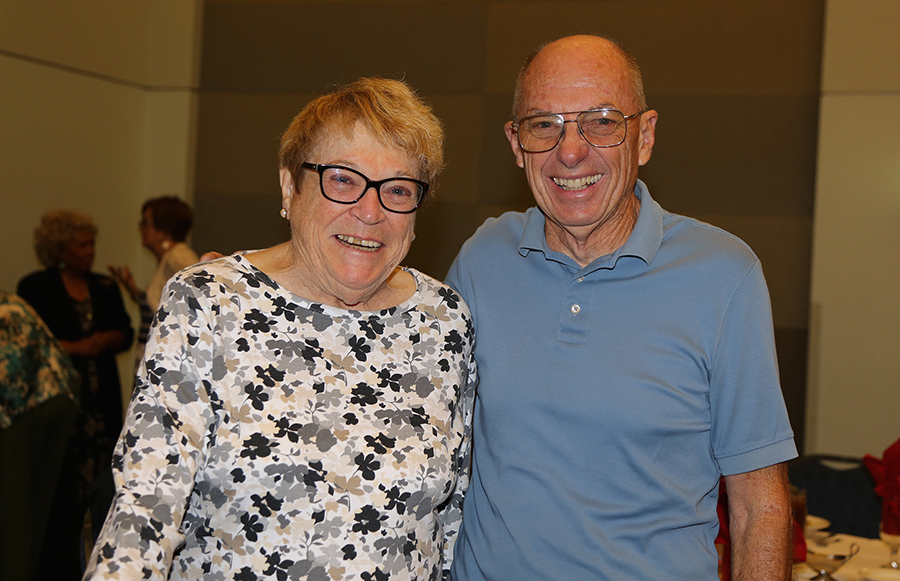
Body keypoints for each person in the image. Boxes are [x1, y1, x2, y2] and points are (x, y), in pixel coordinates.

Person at [84, 77, 475, 581]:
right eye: (343, 179)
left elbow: (450, 521)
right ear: (290, 185)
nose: (371, 211)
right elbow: (144, 511)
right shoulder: (208, 301)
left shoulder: (443, 320)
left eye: (398, 189)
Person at [445, 35, 797, 580]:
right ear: (516, 143)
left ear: (646, 135)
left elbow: (760, 508)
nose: (570, 151)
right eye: (545, 124)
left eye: (602, 121)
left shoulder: (724, 274)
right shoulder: (482, 261)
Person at [16, 210, 134, 578]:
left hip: (102, 398)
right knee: (61, 486)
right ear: (60, 248)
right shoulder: (35, 286)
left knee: (101, 482)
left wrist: (107, 339)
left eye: (92, 243)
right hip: (63, 400)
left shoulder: (104, 286)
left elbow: (125, 333)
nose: (90, 251)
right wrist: (79, 347)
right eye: (82, 245)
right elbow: (34, 342)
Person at [0, 292, 79, 581]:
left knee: (14, 513)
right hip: (59, 392)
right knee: (37, 507)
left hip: (21, 405)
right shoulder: (9, 300)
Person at [109, 196, 199, 371]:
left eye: (146, 222)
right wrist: (135, 292)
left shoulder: (178, 256)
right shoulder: (168, 259)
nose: (141, 228)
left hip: (165, 359)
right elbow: (161, 304)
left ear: (165, 228)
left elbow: (201, 289)